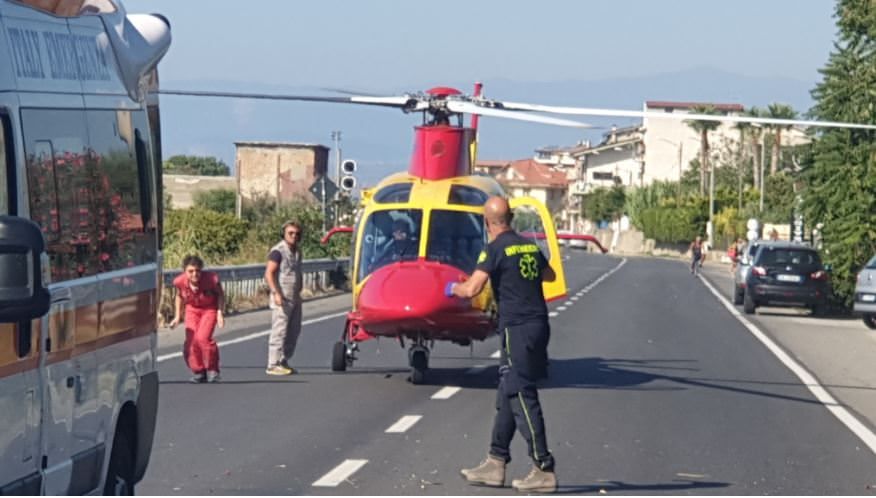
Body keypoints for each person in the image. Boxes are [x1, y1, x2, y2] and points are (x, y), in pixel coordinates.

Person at [448, 196, 558, 493]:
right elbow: (550, 275)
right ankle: (495, 462)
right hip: (538, 325)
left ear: (488, 222)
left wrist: (452, 287)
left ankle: (543, 468)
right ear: (510, 217)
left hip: (517, 329)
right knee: (508, 393)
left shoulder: (494, 249)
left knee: (521, 394)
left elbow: (472, 288)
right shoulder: (529, 246)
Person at [169, 255, 225, 383]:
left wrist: (219, 312)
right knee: (191, 341)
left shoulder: (211, 279)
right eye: (190, 271)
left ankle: (212, 369)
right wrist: (177, 316)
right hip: (192, 309)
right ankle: (198, 370)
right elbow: (179, 297)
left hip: (209, 309)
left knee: (203, 338)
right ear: (185, 271)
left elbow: (220, 295)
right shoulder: (180, 282)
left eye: (197, 271)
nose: (195, 274)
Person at [264, 220, 304, 376]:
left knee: (293, 331)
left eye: (297, 234)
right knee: (279, 330)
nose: (294, 236)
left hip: (295, 295)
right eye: (290, 233)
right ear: (284, 234)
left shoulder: (297, 251)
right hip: (282, 295)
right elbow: (269, 273)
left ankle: (283, 360)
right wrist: (276, 293)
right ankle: (273, 363)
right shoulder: (278, 251)